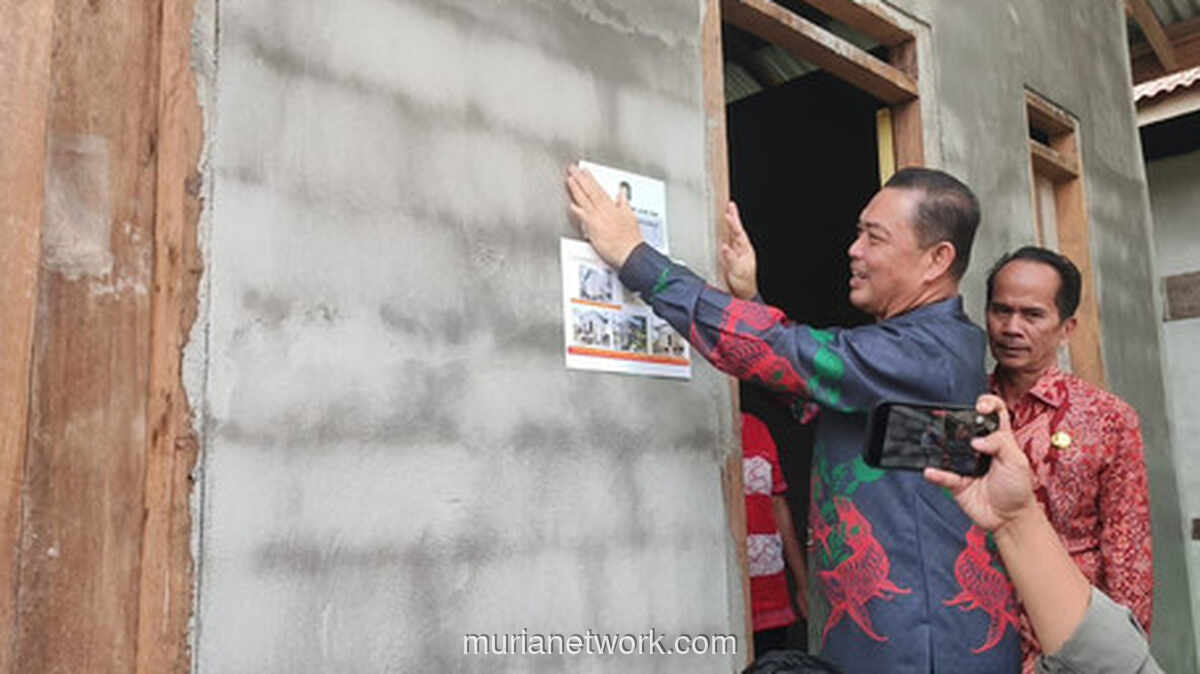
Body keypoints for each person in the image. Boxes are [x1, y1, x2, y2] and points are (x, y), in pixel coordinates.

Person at [566, 164, 1020, 673]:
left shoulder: (924, 354)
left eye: (874, 238)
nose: (855, 249)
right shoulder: (940, 351)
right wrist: (750, 300)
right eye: (858, 233)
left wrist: (635, 257)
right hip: (903, 631)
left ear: (938, 259)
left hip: (925, 643)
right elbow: (826, 401)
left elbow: (784, 352)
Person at [985, 247, 1153, 671]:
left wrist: (1122, 654)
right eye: (1000, 311)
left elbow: (1127, 552)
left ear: (1066, 328)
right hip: (977, 630)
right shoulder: (963, 409)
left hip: (1067, 636)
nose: (1011, 328)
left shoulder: (1108, 418)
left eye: (1032, 315)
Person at [925, 395, 1163, 674]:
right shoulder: (967, 405)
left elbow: (1127, 546)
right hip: (977, 628)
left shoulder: (1105, 414)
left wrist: (1128, 638)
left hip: (1073, 631)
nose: (1015, 347)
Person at [741, 407, 808, 656]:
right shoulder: (696, 435)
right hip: (719, 595)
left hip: (770, 595)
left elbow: (777, 505)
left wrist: (802, 585)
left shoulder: (758, 429)